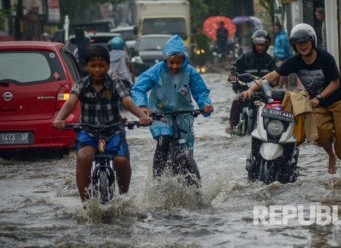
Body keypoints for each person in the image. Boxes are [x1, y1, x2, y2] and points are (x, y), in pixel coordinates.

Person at [241, 23, 341, 180]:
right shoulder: (295, 61)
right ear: (294, 46)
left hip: (338, 100)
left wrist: (318, 98)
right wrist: (250, 90)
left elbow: (335, 83)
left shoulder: (326, 58)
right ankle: (331, 155)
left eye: (305, 42)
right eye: (298, 44)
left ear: (312, 41)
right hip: (317, 104)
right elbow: (271, 76)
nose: (302, 46)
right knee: (320, 135)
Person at [52, 45, 152, 202]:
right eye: (93, 66)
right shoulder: (81, 84)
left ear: (108, 66)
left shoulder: (115, 82)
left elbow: (127, 102)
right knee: (84, 158)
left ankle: (124, 198)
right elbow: (71, 102)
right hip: (88, 132)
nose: (97, 70)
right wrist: (59, 119)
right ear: (86, 67)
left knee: (122, 161)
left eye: (101, 65)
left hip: (113, 131)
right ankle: (86, 204)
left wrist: (142, 116)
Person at [130, 35, 214, 177]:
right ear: (165, 60)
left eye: (178, 63)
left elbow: (201, 91)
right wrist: (142, 106)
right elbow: (138, 88)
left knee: (186, 149)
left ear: (184, 61)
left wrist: (205, 104)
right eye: (171, 62)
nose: (175, 66)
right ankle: (157, 179)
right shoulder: (157, 70)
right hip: (160, 114)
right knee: (164, 141)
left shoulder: (190, 72)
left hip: (184, 114)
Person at [225, 29, 277, 134]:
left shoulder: (269, 59)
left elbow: (276, 74)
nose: (261, 47)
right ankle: (231, 124)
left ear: (267, 45)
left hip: (263, 91)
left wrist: (274, 81)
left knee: (274, 104)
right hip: (245, 89)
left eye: (263, 45)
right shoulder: (245, 57)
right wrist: (233, 76)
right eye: (258, 45)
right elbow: (234, 69)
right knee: (237, 99)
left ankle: (273, 127)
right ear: (254, 44)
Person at [273, 22, 292, 89]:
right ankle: (287, 87)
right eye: (274, 29)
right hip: (279, 57)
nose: (275, 30)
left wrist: (288, 57)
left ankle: (280, 87)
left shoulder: (283, 37)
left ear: (279, 29)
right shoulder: (278, 36)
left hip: (283, 57)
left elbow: (287, 47)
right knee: (284, 73)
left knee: (281, 72)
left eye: (276, 29)